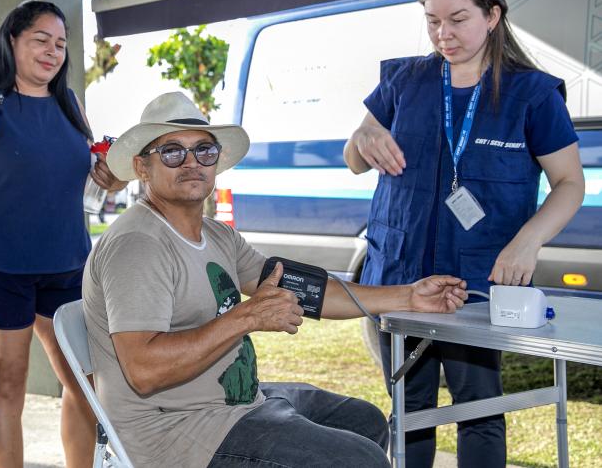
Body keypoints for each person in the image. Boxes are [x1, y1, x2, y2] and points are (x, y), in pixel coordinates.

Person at [83, 91, 470, 468]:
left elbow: (305, 290)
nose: (191, 162)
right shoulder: (139, 244)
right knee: (360, 460)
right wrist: (247, 317)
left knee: (364, 421)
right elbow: (144, 371)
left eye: (204, 150)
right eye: (171, 151)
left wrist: (408, 296)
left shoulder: (217, 235)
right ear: (141, 167)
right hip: (174, 432)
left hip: (233, 403)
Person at [344, 0, 585, 467]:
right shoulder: (403, 82)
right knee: (408, 407)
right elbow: (353, 160)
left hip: (474, 285)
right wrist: (363, 135)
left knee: (480, 408)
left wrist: (528, 240)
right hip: (402, 279)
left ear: (493, 15)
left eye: (457, 20)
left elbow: (569, 184)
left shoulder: (532, 94)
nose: (442, 34)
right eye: (432, 20)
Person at [0, 0, 125, 468]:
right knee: (8, 392)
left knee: (87, 385)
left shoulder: (70, 103)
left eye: (61, 44)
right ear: (12, 41)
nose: (52, 52)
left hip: (68, 267)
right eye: (41, 40)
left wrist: (112, 176)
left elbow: (75, 179)